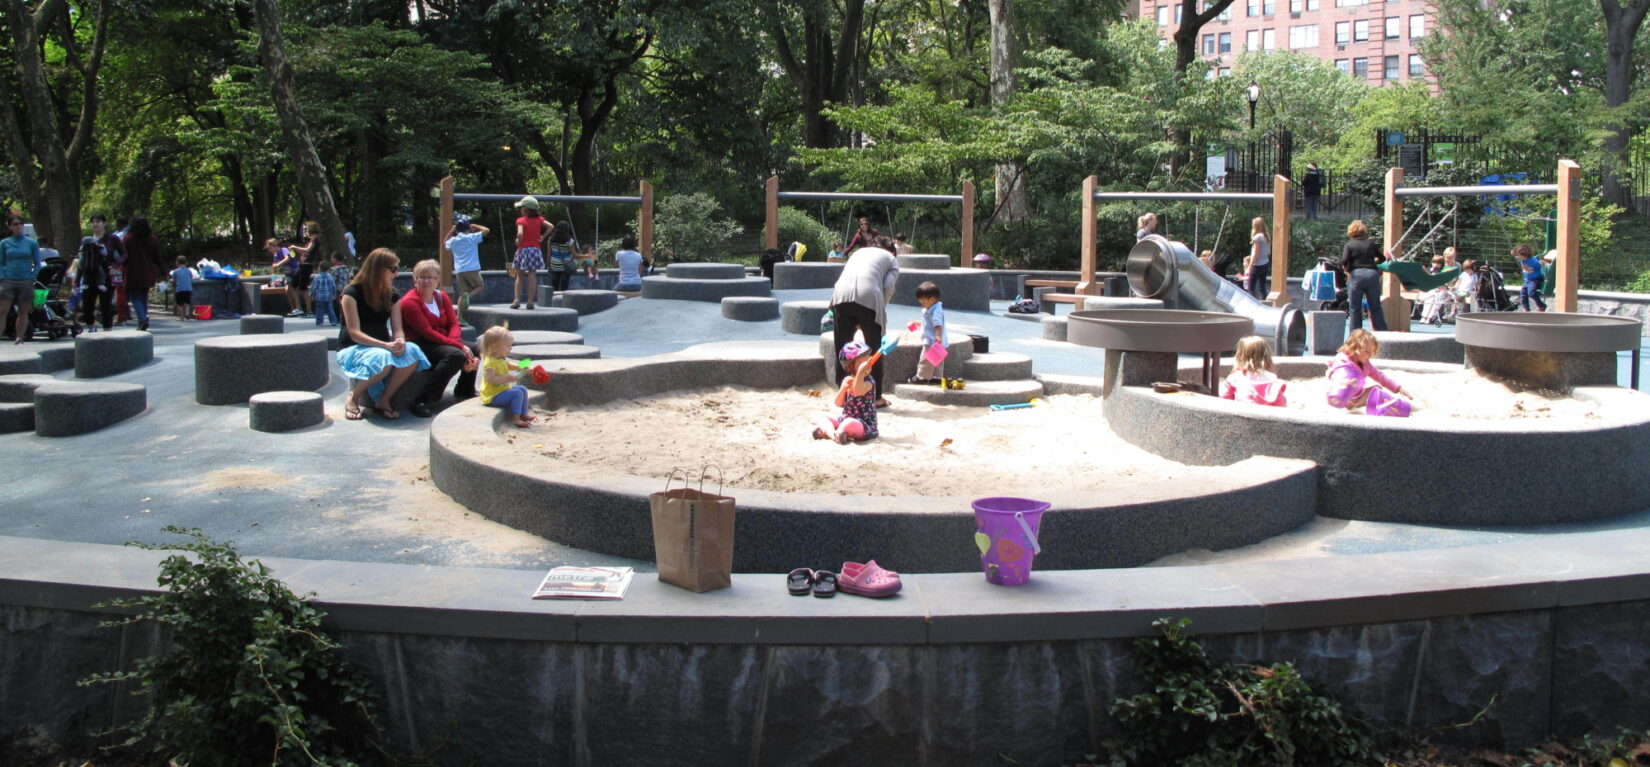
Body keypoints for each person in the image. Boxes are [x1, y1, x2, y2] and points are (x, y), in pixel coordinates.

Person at [337, 248, 430, 420]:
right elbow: (354, 333)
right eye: (393, 269)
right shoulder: (350, 294)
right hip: (354, 347)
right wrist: (385, 345)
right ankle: (353, 397)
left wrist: (400, 341)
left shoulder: (393, 295)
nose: (396, 274)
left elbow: (397, 329)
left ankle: (384, 399)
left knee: (413, 351)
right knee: (383, 358)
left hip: (381, 347)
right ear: (378, 269)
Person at [398, 259, 479, 418]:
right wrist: (458, 346)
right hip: (420, 342)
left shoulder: (441, 296)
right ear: (415, 279)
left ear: (437, 280)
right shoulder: (409, 302)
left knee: (476, 348)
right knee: (455, 355)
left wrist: (455, 341)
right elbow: (426, 332)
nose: (426, 281)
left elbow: (454, 323)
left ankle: (465, 389)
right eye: (422, 277)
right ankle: (423, 400)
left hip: (441, 339)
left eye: (431, 277)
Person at [829, 236, 899, 407]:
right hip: (869, 296)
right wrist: (877, 310)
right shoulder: (891, 259)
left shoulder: (859, 252)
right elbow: (888, 287)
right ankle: (876, 398)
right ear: (893, 251)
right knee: (875, 348)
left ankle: (844, 394)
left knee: (843, 347)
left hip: (839, 295)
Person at [1325, 329, 1412, 417]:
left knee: (1376, 389)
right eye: (1367, 352)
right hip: (1341, 392)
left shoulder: (1366, 364)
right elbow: (1333, 371)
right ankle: (1348, 404)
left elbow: (1379, 376)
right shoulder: (1343, 359)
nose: (1370, 355)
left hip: (1357, 396)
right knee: (1343, 396)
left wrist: (1397, 388)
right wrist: (1343, 381)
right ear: (1355, 348)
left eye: (1371, 352)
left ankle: (1390, 409)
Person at [812, 341, 878, 444]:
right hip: (845, 418)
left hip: (864, 425)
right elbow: (838, 403)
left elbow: (858, 392)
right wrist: (843, 388)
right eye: (861, 364)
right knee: (820, 416)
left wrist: (860, 372)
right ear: (850, 366)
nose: (866, 367)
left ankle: (835, 433)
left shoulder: (869, 381)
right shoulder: (848, 380)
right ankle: (834, 434)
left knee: (849, 423)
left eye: (868, 362)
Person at [477, 326, 534, 428]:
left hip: (501, 390)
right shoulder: (490, 362)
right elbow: (490, 380)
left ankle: (524, 413)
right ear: (495, 346)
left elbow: (507, 365)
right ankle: (515, 419)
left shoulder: (499, 358)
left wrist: (521, 367)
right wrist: (506, 378)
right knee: (517, 393)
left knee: (522, 389)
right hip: (492, 396)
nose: (511, 348)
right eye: (508, 346)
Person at [120, 217, 167, 332]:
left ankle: (142, 319)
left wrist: (120, 265)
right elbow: (157, 257)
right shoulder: (152, 239)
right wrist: (164, 272)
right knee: (143, 296)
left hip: (133, 271)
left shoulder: (128, 238)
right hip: (148, 271)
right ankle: (144, 316)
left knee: (135, 296)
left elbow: (124, 256)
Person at [0, 215, 41, 344]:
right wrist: (2, 277)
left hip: (25, 280)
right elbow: (1, 262)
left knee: (23, 310)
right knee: (2, 310)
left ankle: (19, 337)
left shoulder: (31, 243)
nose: (19, 226)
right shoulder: (4, 243)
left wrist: (32, 277)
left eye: (21, 224)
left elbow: (38, 263)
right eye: (15, 224)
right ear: (10, 226)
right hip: (8, 279)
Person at [1341, 219, 1387, 332]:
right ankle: (1382, 333)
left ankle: (1355, 335)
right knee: (1375, 305)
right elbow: (1382, 258)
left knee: (1355, 307)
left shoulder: (1349, 245)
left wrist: (1346, 267)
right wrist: (1373, 263)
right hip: (1372, 274)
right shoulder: (1370, 243)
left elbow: (1344, 261)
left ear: (1351, 232)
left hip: (1357, 275)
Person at [1220, 336, 1287, 407]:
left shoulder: (1235, 378)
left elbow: (1225, 401)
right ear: (1267, 357)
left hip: (1243, 413)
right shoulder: (1273, 380)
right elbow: (1281, 403)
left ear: (1240, 357)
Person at [444, 213, 489, 313]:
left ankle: (459, 316)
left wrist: (452, 230)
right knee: (480, 286)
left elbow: (445, 242)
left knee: (463, 294)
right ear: (468, 229)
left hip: (459, 270)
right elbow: (486, 230)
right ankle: (468, 296)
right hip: (472, 269)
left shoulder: (453, 240)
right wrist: (475, 226)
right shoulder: (472, 238)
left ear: (457, 230)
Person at [80, 219, 118, 330]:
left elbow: (118, 259)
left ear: (104, 223)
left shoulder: (112, 239)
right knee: (87, 306)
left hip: (107, 278)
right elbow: (81, 264)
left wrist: (117, 280)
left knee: (106, 306)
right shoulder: (85, 242)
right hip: (89, 279)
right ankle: (91, 328)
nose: (95, 224)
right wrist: (77, 280)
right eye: (92, 222)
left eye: (98, 221)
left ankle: (107, 331)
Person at [512, 196, 547, 309]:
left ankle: (516, 300)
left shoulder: (520, 220)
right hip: (535, 249)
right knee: (532, 274)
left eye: (521, 208)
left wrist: (518, 241)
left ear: (526, 209)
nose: (520, 210)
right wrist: (543, 237)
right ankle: (530, 301)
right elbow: (551, 226)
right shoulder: (539, 220)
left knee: (520, 275)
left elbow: (520, 234)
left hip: (523, 249)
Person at [908, 281, 946, 385]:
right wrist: (918, 323)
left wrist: (938, 335)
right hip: (937, 340)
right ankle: (937, 377)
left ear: (932, 299)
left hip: (931, 340)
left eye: (923, 303)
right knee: (937, 358)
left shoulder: (935, 310)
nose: (922, 305)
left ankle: (921, 377)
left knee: (926, 359)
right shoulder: (932, 307)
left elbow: (937, 323)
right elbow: (928, 322)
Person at [287, 220, 318, 317]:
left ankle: (309, 311)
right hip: (302, 265)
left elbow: (308, 250)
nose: (304, 231)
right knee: (293, 285)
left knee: (304, 288)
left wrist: (295, 247)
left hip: (307, 266)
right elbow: (306, 252)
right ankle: (298, 308)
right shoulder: (310, 240)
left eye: (305, 228)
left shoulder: (315, 239)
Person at [545, 220, 577, 296]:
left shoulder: (551, 239)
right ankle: (564, 303)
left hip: (554, 265)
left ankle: (554, 302)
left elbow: (549, 253)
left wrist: (548, 265)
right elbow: (574, 255)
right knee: (564, 288)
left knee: (554, 287)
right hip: (566, 266)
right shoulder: (570, 241)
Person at [1515, 243, 1549, 312]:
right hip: (1527, 280)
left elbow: (1540, 264)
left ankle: (1541, 305)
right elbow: (1513, 252)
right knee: (1523, 294)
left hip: (1535, 280)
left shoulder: (1532, 261)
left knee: (1531, 293)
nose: (1517, 257)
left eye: (1518, 255)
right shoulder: (1522, 260)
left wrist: (1541, 262)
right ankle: (1526, 308)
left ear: (1524, 254)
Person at [308, 254, 339, 326]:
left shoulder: (317, 277)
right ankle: (333, 321)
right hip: (329, 297)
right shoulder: (330, 277)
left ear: (319, 268)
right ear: (328, 268)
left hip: (319, 297)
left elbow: (314, 287)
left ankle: (320, 322)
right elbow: (333, 286)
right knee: (330, 309)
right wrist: (334, 294)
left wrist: (311, 295)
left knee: (319, 310)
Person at [1245, 217, 1271, 299]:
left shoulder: (1257, 237)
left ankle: (1251, 305)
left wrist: (1249, 267)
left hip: (1257, 264)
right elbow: (1269, 251)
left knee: (1250, 287)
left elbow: (1255, 253)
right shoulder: (1267, 235)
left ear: (1255, 226)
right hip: (1265, 263)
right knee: (1262, 287)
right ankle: (1265, 302)